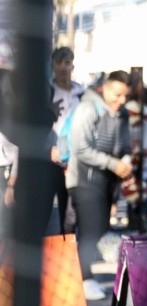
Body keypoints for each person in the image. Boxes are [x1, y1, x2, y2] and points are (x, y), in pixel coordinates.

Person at [66, 70, 133, 301]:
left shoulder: (122, 113)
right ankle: (83, 278)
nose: (121, 100)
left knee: (98, 227)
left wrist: (124, 162)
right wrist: (113, 164)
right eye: (117, 94)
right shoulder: (87, 108)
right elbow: (79, 148)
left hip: (107, 182)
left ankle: (81, 276)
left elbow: (125, 145)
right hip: (84, 180)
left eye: (125, 96)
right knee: (88, 230)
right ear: (105, 88)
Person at [49, 46, 84, 234]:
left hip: (75, 161)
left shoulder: (81, 94)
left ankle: (67, 251)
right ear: (52, 65)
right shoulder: (47, 91)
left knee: (70, 212)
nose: (63, 67)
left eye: (67, 63)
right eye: (59, 63)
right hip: (50, 157)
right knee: (44, 210)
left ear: (73, 65)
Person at [125, 87, 147, 224]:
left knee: (132, 195)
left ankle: (133, 221)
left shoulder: (128, 116)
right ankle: (143, 215)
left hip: (134, 164)